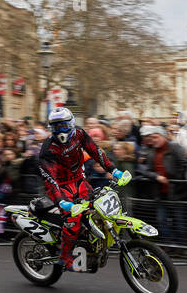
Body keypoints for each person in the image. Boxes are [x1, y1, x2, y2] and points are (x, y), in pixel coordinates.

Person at [39, 106, 124, 270]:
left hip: (80, 181)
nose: (60, 130)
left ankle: (92, 246)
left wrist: (113, 170)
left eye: (64, 125)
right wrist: (61, 201)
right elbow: (50, 178)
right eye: (56, 127)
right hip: (61, 187)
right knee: (73, 220)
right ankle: (65, 258)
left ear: (71, 123)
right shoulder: (48, 148)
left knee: (97, 210)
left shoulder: (79, 133)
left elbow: (95, 151)